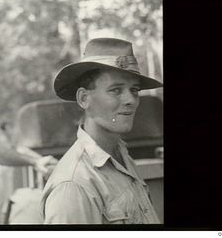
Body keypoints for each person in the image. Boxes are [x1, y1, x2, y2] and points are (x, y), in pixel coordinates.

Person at [40, 37, 163, 224]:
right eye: (116, 90)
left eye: (134, 90)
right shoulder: (74, 185)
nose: (130, 100)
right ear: (83, 99)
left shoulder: (120, 154)